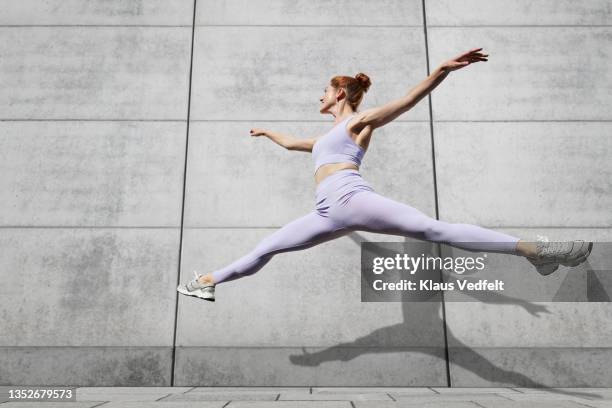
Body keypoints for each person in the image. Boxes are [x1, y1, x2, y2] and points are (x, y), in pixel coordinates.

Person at [177, 48, 592, 302]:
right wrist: (267, 130)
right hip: (326, 211)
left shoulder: (358, 122)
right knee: (267, 247)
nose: (318, 95)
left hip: (350, 198)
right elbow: (292, 144)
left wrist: (442, 71)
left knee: (435, 231)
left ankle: (538, 251)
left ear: (340, 93)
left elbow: (407, 101)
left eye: (324, 89)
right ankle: (208, 281)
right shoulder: (325, 138)